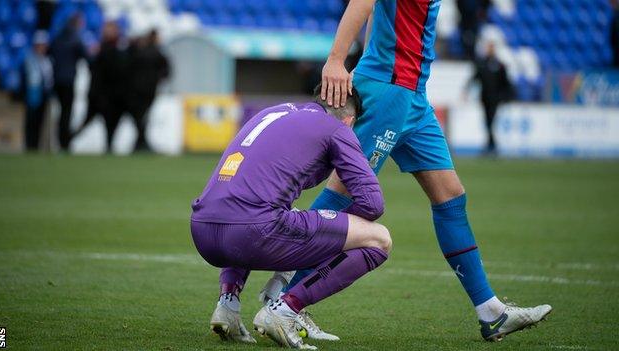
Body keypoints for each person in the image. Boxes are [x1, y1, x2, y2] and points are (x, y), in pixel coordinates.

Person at [262, 0, 551, 342]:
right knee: (344, 193)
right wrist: (337, 60)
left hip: (413, 97)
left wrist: (368, 64)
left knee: (451, 197)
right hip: (390, 91)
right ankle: (280, 304)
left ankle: (491, 313)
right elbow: (364, 2)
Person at [190, 87, 391, 349]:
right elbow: (373, 204)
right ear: (349, 120)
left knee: (269, 212)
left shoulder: (274, 111)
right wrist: (329, 239)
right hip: (252, 231)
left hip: (202, 229)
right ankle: (284, 310)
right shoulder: (338, 128)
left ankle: (227, 304)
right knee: (379, 240)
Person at [76, 21, 130, 152]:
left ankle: (109, 146)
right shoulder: (104, 50)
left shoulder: (109, 49)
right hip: (101, 95)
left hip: (109, 95)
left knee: (110, 124)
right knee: (93, 122)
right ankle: (67, 140)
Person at [48, 13, 87, 151]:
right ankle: (64, 142)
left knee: (59, 112)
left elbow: (50, 52)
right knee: (66, 112)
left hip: (56, 79)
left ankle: (58, 141)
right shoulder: (75, 39)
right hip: (69, 80)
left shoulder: (57, 38)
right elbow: (86, 56)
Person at [127, 29, 169, 151]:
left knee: (140, 118)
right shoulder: (158, 54)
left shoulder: (140, 52)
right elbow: (166, 71)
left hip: (136, 90)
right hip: (149, 91)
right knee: (143, 118)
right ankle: (141, 142)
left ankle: (140, 142)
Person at [468, 41, 512, 154]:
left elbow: (506, 83)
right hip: (484, 98)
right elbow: (475, 77)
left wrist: (506, 97)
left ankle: (491, 145)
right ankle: (491, 145)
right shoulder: (482, 63)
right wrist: (466, 90)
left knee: (490, 122)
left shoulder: (499, 65)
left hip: (495, 99)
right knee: (487, 122)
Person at [22, 30, 53, 151]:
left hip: (44, 94)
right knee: (31, 122)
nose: (41, 47)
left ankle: (36, 147)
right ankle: (29, 146)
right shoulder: (29, 60)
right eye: (39, 45)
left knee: (40, 122)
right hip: (32, 94)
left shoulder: (47, 61)